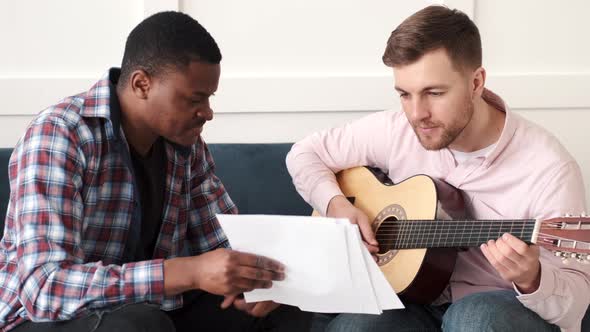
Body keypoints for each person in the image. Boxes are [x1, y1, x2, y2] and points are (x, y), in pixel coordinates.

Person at [286, 5, 590, 332]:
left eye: (434, 93)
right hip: (415, 300)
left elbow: (575, 305)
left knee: (472, 319)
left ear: (476, 82)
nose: (417, 114)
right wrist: (336, 204)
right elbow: (304, 154)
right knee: (354, 328)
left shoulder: (549, 167)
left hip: (500, 309)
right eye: (405, 94)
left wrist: (533, 279)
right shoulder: (397, 128)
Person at [0, 11, 286, 332]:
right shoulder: (60, 134)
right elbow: (45, 289)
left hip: (150, 309)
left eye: (209, 97)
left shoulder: (186, 146)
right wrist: (186, 272)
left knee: (277, 311)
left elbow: (223, 243)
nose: (207, 112)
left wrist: (256, 282)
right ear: (141, 84)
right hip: (38, 319)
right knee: (140, 324)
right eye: (195, 98)